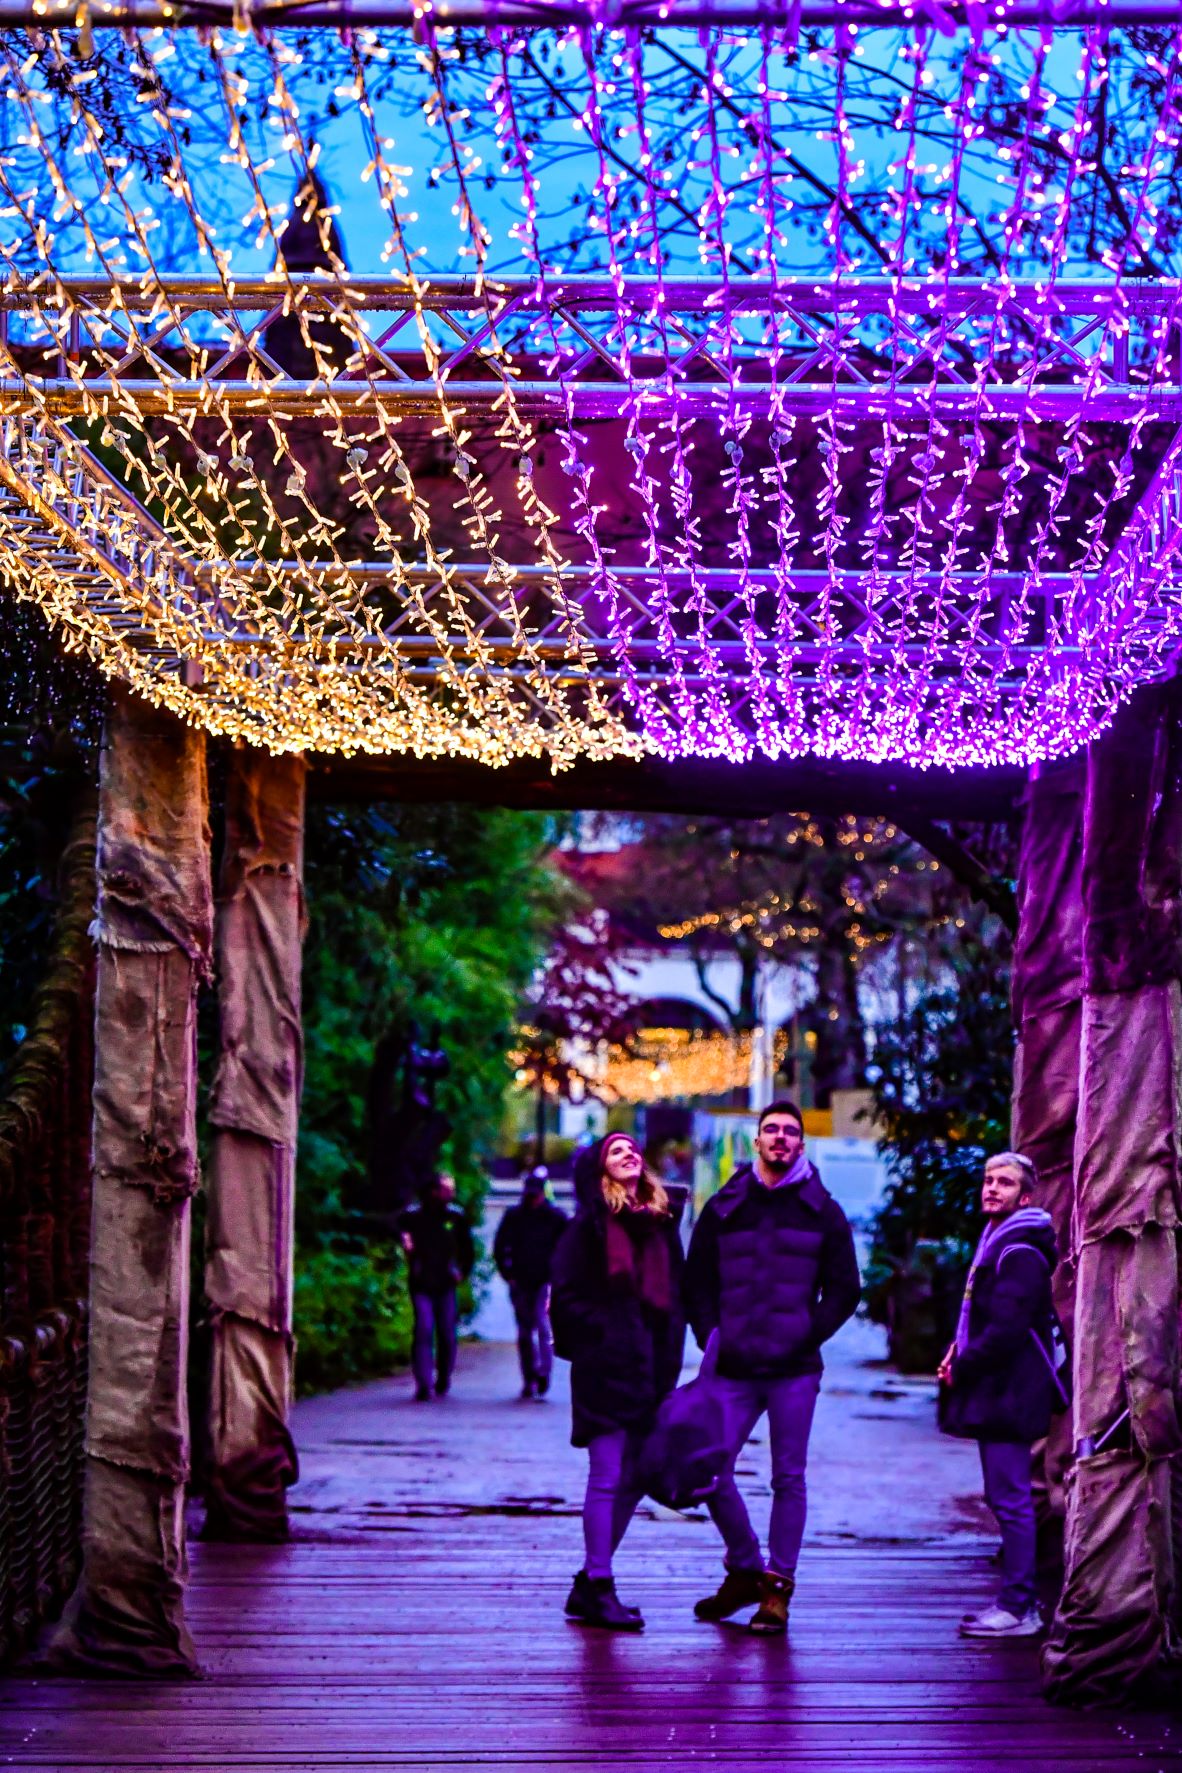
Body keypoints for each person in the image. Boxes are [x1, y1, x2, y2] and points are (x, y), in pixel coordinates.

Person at [684, 1099, 860, 1635]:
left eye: (789, 1131)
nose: (780, 1137)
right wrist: (711, 1337)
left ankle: (777, 1592)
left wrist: (806, 1334)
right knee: (708, 1468)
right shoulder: (724, 1206)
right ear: (756, 1141)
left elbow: (846, 1290)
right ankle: (744, 1568)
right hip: (733, 1366)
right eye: (771, 1130)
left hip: (794, 1370)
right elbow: (696, 1281)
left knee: (788, 1477)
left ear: (801, 1144)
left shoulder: (823, 1211)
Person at [550, 1132, 686, 1632]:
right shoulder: (587, 1227)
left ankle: (590, 1581)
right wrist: (603, 1335)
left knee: (635, 1477)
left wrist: (672, 1354)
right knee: (606, 1476)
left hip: (652, 1368)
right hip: (605, 1369)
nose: (628, 1154)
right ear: (600, 1170)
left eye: (632, 1149)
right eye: (615, 1151)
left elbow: (676, 1296)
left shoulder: (661, 1223)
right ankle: (600, 1583)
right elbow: (564, 1299)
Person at [938, 1151, 1059, 1639]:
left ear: (1025, 1197)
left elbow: (1007, 1330)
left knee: (1010, 1498)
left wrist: (963, 1365)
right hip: (1003, 1387)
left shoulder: (1020, 1250)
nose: (991, 1188)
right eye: (988, 1180)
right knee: (1005, 1494)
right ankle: (1017, 1601)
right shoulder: (999, 1241)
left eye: (1005, 1183)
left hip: (1013, 1390)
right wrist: (957, 1350)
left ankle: (1018, 1608)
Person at [398, 1171, 476, 1402]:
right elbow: (400, 1229)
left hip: (445, 1282)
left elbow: (467, 1249)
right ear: (433, 1191)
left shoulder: (454, 1217)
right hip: (422, 1281)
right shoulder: (414, 1217)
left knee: (446, 1333)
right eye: (446, 1189)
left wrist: (462, 1271)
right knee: (424, 1328)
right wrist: (406, 1242)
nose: (450, 1193)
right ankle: (423, 1382)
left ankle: (443, 1376)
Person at [493, 1167, 568, 1399]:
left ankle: (543, 1372)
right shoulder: (515, 1216)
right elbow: (500, 1246)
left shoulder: (555, 1218)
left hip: (546, 1280)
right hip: (521, 1279)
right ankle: (529, 1377)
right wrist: (508, 1273)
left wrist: (559, 1276)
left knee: (543, 1328)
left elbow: (567, 1249)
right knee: (525, 1333)